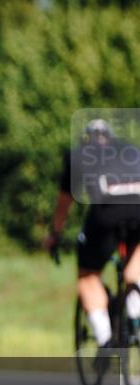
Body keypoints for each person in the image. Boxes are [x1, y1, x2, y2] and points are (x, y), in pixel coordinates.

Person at [44, 119, 140, 361]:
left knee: (88, 276)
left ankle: (105, 339)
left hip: (107, 212)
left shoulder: (78, 154)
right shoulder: (130, 149)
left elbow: (64, 204)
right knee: (132, 272)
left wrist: (55, 235)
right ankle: (134, 307)